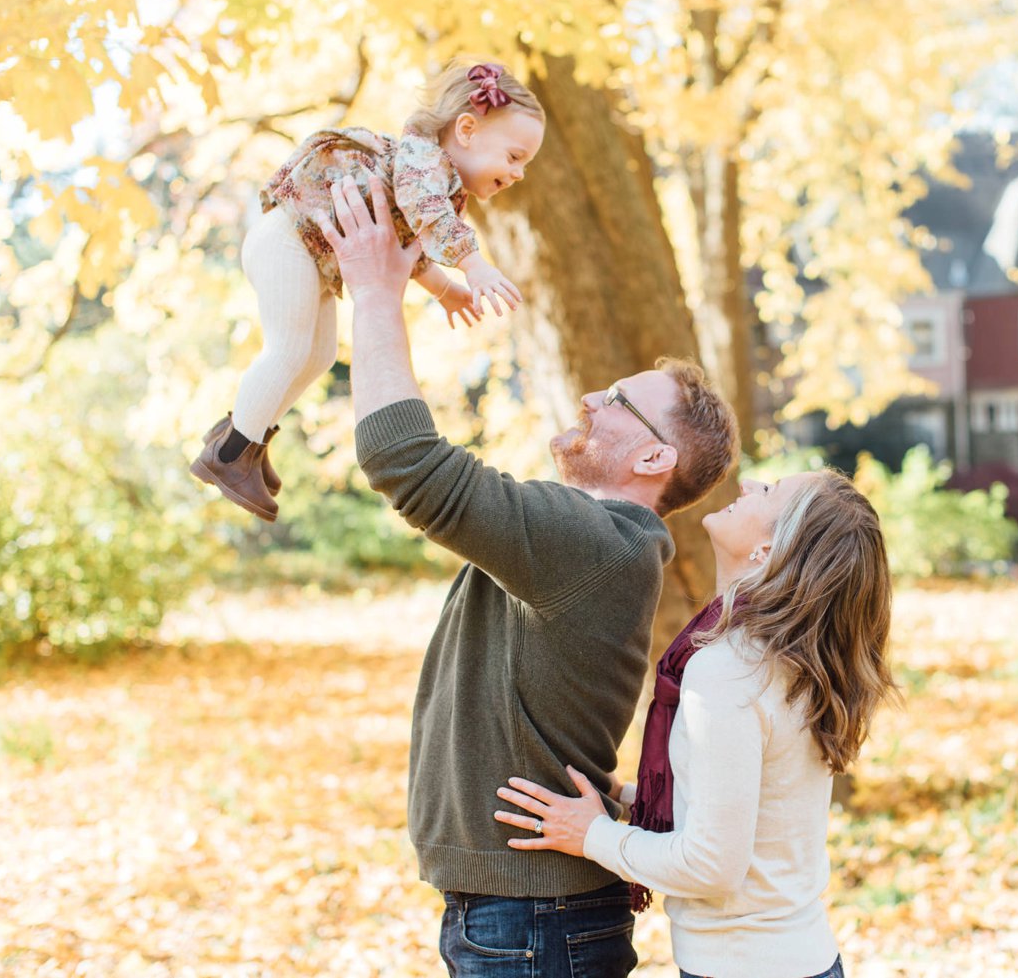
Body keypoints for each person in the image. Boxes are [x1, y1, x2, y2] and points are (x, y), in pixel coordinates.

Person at [317, 172, 741, 976]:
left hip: (534, 923)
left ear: (655, 457)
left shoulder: (598, 542)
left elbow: (404, 461)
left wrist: (375, 293)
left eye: (617, 400)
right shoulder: (591, 539)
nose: (588, 396)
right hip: (528, 914)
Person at [494, 468, 898, 978]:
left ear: (768, 553)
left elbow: (711, 865)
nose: (749, 483)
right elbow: (762, 804)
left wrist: (592, 835)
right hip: (796, 958)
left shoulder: (729, 668)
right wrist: (632, 799)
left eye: (769, 492)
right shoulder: (789, 659)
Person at [191, 58, 544, 522]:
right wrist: (473, 265)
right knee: (289, 347)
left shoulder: (437, 182)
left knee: (316, 355)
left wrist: (445, 291)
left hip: (308, 256)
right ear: (466, 130)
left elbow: (409, 245)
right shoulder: (424, 164)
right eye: (514, 157)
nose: (518, 173)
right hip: (287, 240)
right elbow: (426, 215)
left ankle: (244, 440)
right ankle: (229, 454)